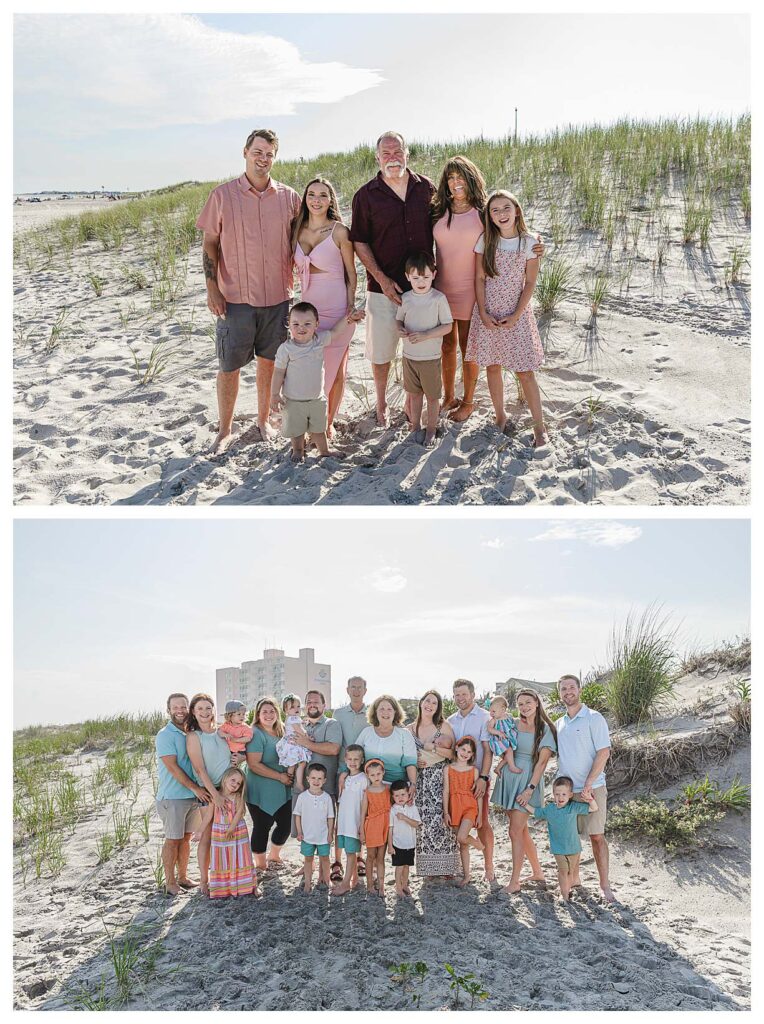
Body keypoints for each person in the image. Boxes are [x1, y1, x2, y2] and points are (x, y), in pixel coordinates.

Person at [196, 128, 300, 453]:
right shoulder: (222, 196)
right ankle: (224, 430)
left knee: (269, 362)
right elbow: (210, 243)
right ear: (245, 152)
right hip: (234, 300)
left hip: (278, 298)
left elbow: (301, 243)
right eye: (258, 152)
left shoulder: (290, 197)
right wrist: (212, 288)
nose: (263, 159)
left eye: (269, 154)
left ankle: (263, 420)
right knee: (230, 367)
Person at [432, 158, 544, 422]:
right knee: (446, 346)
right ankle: (449, 397)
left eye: (461, 176)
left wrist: (538, 240)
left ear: (471, 178)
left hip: (473, 288)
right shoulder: (438, 211)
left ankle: (468, 402)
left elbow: (510, 228)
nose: (456, 182)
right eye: (450, 178)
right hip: (441, 288)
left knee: (466, 347)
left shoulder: (483, 211)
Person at [349, 131, 435, 427]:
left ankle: (416, 404)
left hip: (422, 289)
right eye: (386, 154)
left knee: (420, 349)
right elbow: (359, 241)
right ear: (377, 158)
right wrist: (383, 280)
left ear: (407, 153)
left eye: (397, 152)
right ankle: (382, 403)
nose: (392, 158)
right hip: (382, 290)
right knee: (382, 351)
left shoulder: (426, 188)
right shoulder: (365, 195)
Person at [466, 190, 548, 447]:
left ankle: (539, 427)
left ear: (517, 210)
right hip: (489, 311)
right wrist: (482, 312)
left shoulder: (529, 242)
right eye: (495, 210)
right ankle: (500, 416)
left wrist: (516, 314)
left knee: (525, 372)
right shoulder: (485, 242)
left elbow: (531, 281)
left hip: (517, 314)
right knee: (492, 366)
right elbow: (479, 278)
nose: (501, 214)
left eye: (506, 208)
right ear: (489, 216)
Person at [292, 177, 360, 437]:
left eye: (322, 195)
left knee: (334, 368)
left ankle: (327, 422)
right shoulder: (296, 230)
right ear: (305, 198)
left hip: (336, 308)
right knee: (311, 368)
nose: (316, 200)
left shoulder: (339, 231)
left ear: (330, 199)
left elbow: (352, 274)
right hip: (308, 311)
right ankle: (313, 420)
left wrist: (351, 305)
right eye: (311, 194)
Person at [270, 301, 364, 462]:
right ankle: (298, 450)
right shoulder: (286, 349)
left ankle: (324, 451)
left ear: (316, 324)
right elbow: (278, 372)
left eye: (307, 323)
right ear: (289, 325)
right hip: (293, 400)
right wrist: (274, 394)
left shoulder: (319, 341)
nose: (301, 328)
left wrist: (348, 318)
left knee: (319, 429)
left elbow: (335, 332)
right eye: (296, 324)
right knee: (297, 430)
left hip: (317, 398)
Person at [492, 688, 558, 895]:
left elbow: (542, 763)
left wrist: (530, 789)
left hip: (528, 780)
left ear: (537, 702)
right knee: (521, 830)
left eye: (528, 702)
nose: (524, 707)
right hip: (510, 778)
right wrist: (502, 764)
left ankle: (515, 881)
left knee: (514, 831)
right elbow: (504, 744)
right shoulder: (513, 723)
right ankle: (538, 872)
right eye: (520, 704)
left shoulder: (545, 729)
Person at [556, 673, 615, 902]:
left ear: (579, 690)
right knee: (571, 838)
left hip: (593, 788)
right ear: (560, 693)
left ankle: (604, 885)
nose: (568, 692)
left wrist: (589, 782)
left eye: (571, 687)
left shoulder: (594, 717)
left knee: (597, 836)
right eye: (563, 689)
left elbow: (604, 752)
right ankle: (574, 878)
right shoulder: (560, 723)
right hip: (568, 792)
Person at [395, 252, 453, 447]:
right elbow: (399, 318)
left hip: (430, 357)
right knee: (414, 394)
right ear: (407, 277)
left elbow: (448, 326)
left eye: (426, 277)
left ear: (434, 275)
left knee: (433, 396)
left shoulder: (438, 299)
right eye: (416, 277)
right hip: (409, 356)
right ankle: (415, 425)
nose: (421, 282)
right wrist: (400, 329)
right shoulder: (406, 298)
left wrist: (426, 335)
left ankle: (430, 429)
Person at [154, 693, 210, 896]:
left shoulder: (190, 733)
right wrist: (196, 788)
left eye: (183, 707)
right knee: (172, 839)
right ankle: (170, 883)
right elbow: (173, 767)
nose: (180, 711)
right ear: (168, 710)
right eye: (175, 707)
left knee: (185, 839)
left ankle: (183, 877)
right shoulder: (165, 735)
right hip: (173, 797)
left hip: (191, 797)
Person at [287, 690, 343, 879]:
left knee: (324, 826)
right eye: (308, 701)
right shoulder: (299, 725)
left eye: (316, 702)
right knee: (304, 825)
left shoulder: (331, 724)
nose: (312, 704)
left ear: (324, 705)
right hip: (303, 786)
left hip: (325, 787)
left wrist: (306, 743)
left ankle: (324, 867)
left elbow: (333, 748)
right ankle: (307, 864)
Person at [185, 693, 234, 897]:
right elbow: (199, 769)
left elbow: (234, 753)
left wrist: (238, 759)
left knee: (229, 833)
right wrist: (215, 795)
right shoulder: (194, 736)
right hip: (209, 790)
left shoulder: (222, 731)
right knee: (207, 835)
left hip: (230, 788)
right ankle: (204, 880)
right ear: (194, 713)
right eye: (200, 709)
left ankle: (228, 876)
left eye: (208, 708)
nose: (205, 712)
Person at [407, 690, 459, 880]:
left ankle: (446, 867)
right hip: (419, 779)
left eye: (435, 703)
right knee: (424, 821)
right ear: (421, 703)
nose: (430, 705)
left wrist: (434, 749)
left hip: (439, 776)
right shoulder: (409, 729)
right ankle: (428, 868)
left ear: (438, 708)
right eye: (427, 701)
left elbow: (453, 754)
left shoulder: (443, 726)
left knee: (441, 819)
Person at [447, 679, 495, 881]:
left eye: (464, 694)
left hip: (477, 779)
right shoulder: (450, 720)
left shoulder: (485, 717)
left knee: (482, 823)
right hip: (456, 781)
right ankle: (462, 870)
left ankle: (489, 866)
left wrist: (483, 777)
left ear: (473, 695)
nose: (460, 699)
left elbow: (488, 750)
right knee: (457, 826)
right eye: (457, 695)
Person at [193, 766, 259, 899]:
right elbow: (208, 816)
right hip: (219, 831)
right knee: (222, 858)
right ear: (225, 779)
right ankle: (224, 887)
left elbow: (239, 813)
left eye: (239, 783)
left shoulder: (238, 796)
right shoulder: (215, 797)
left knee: (241, 857)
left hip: (237, 830)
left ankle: (251, 886)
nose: (235, 785)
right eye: (233, 780)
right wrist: (199, 831)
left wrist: (231, 828)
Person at [531, 776, 598, 901]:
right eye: (557, 794)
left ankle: (567, 888)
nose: (560, 797)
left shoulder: (573, 807)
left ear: (570, 794)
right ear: (553, 794)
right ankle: (565, 896)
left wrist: (590, 799)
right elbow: (536, 812)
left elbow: (594, 808)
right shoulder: (550, 809)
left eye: (563, 794)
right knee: (563, 871)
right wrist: (524, 804)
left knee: (570, 873)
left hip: (574, 847)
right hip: (558, 848)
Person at [245, 696, 293, 873]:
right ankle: (260, 863)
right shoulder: (256, 733)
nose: (268, 714)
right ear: (258, 714)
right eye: (264, 711)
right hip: (261, 788)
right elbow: (254, 764)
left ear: (277, 713)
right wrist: (280, 777)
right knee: (262, 826)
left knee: (286, 825)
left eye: (272, 711)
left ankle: (274, 855)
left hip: (282, 787)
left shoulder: (282, 731)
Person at [333, 675, 370, 881]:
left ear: (365, 690)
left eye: (360, 687)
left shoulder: (371, 713)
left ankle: (359, 857)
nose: (356, 690)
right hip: (342, 770)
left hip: (363, 772)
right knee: (342, 814)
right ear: (347, 690)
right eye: (353, 687)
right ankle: (337, 861)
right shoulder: (338, 714)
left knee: (359, 814)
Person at [443, 736, 484, 886]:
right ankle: (467, 876)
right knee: (463, 844)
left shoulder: (473, 771)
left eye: (469, 752)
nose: (465, 753)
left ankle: (478, 844)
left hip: (469, 807)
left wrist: (479, 814)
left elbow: (478, 794)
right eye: (463, 749)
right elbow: (446, 791)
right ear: (456, 748)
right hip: (454, 808)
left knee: (462, 837)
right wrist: (446, 812)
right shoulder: (448, 769)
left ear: (472, 755)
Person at [356, 695, 418, 791]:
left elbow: (410, 763)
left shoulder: (404, 734)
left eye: (389, 709)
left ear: (395, 712)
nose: (385, 712)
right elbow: (355, 756)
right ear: (375, 711)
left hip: (396, 787)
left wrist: (413, 784)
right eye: (381, 709)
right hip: (370, 786)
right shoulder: (366, 732)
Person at [294, 763, 336, 894]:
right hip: (307, 836)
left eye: (319, 778)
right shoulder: (303, 797)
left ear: (324, 780)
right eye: (313, 778)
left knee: (325, 858)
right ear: (307, 779)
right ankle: (307, 883)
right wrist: (299, 832)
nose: (316, 781)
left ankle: (325, 879)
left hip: (323, 836)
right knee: (308, 859)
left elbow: (330, 817)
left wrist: (330, 834)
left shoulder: (327, 798)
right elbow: (298, 816)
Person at [332, 744, 368, 895]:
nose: (353, 762)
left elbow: (364, 804)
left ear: (362, 760)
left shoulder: (364, 779)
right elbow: (341, 801)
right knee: (348, 852)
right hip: (343, 823)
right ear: (345, 759)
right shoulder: (344, 777)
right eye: (350, 759)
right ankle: (353, 880)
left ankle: (345, 884)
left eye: (356, 759)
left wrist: (361, 826)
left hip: (354, 823)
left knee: (351, 853)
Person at [360, 758, 391, 897]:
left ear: (383, 772)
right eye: (372, 775)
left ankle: (382, 886)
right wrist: (362, 830)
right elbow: (363, 812)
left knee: (381, 857)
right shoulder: (367, 791)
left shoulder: (387, 789)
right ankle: (370, 885)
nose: (376, 777)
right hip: (372, 825)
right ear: (368, 775)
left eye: (378, 774)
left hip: (385, 824)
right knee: (370, 856)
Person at [388, 779, 421, 897]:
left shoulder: (412, 808)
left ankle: (405, 884)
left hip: (410, 843)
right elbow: (390, 829)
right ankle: (398, 887)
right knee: (399, 867)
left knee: (407, 866)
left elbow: (417, 824)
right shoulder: (392, 810)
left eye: (403, 794)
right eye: (396, 795)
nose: (400, 797)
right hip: (398, 844)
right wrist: (390, 845)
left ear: (408, 794)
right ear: (393, 796)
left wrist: (405, 818)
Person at [275, 693, 312, 789]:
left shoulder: (290, 718)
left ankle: (289, 780)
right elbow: (298, 729)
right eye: (292, 707)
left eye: (298, 706)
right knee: (302, 763)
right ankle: (299, 783)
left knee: (292, 764)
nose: (296, 709)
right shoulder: (293, 718)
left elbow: (298, 724)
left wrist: (303, 722)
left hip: (291, 743)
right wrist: (307, 736)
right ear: (286, 710)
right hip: (294, 744)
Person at [486, 694, 521, 774]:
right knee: (509, 751)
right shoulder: (494, 720)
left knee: (508, 755)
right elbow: (489, 728)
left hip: (507, 739)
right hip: (498, 741)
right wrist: (498, 732)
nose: (491, 713)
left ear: (503, 709)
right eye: (490, 711)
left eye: (493, 711)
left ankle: (497, 768)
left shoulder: (508, 716)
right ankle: (512, 767)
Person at [217, 699, 254, 766]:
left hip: (240, 752)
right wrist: (225, 734)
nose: (242, 716)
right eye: (239, 714)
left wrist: (236, 740)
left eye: (243, 714)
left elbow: (248, 738)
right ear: (230, 716)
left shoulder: (245, 727)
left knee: (234, 766)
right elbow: (219, 732)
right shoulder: (226, 725)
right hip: (228, 751)